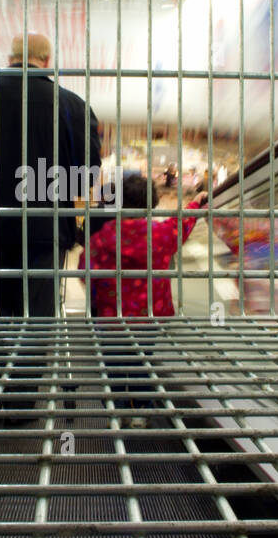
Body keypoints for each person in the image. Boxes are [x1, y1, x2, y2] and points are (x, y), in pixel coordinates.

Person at [0, 33, 102, 420]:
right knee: (38, 311)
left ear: (10, 58)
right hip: (46, 228)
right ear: (47, 61)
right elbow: (87, 171)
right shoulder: (72, 105)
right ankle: (21, 400)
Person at [78, 171, 207, 427]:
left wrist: (99, 298)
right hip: (149, 317)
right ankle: (141, 411)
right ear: (152, 203)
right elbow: (182, 222)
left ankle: (116, 411)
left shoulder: (104, 238)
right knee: (142, 362)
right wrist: (197, 202)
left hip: (111, 318)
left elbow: (85, 269)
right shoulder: (161, 235)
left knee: (113, 366)